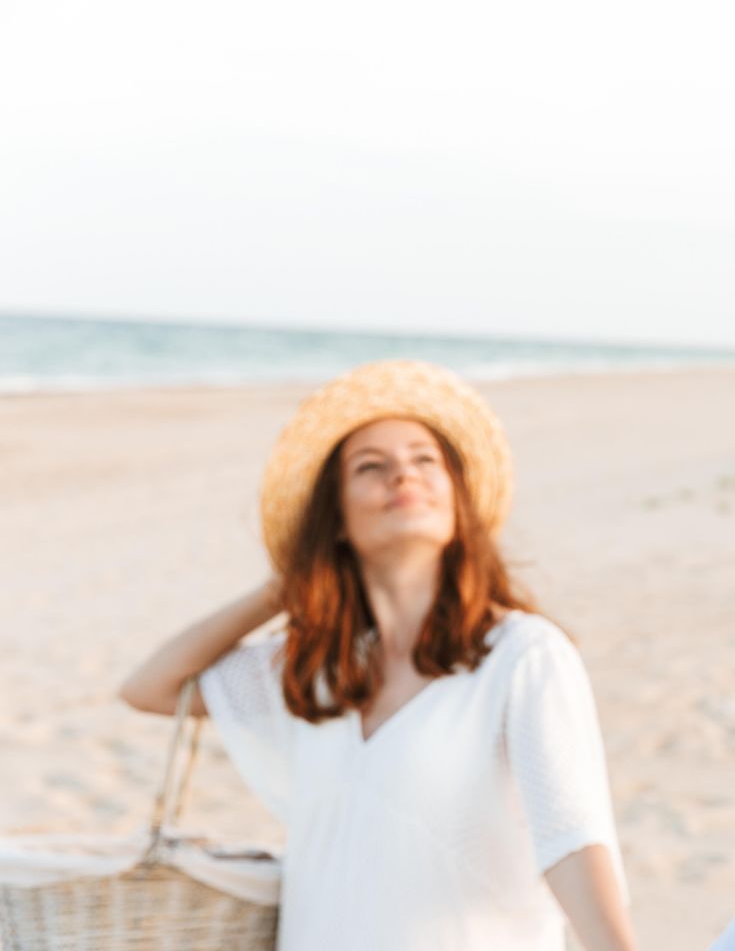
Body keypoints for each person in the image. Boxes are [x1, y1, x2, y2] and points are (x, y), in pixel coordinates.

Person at [120, 360, 636, 951]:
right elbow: (151, 687)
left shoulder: (522, 654)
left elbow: (571, 837)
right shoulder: (314, 669)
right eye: (371, 466)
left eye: (425, 459)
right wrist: (287, 585)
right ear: (336, 518)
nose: (402, 476)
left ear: (455, 499)